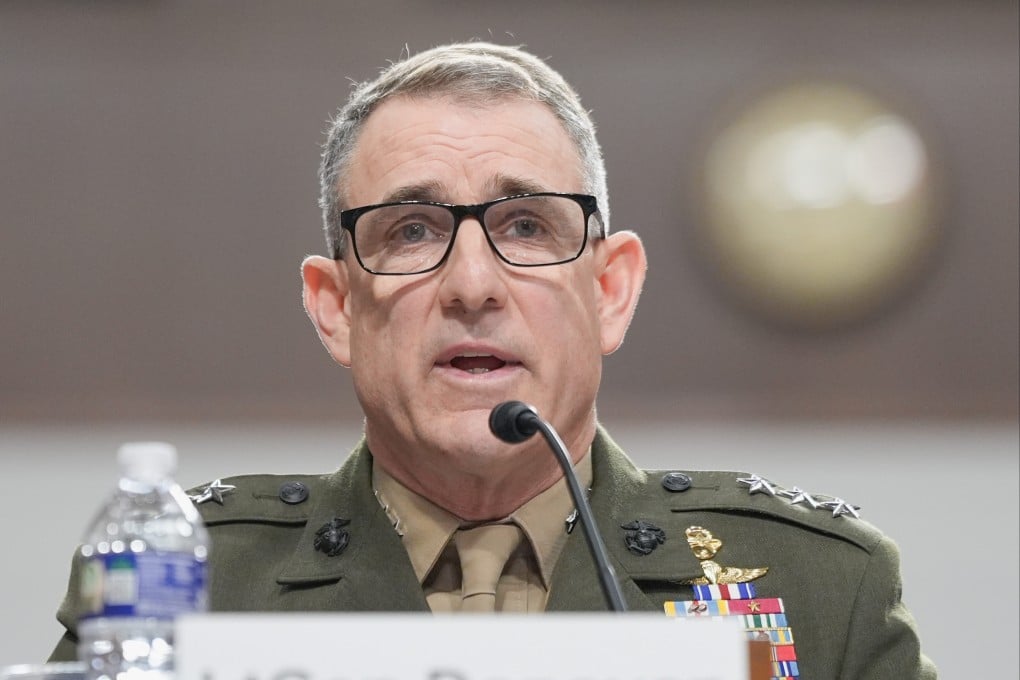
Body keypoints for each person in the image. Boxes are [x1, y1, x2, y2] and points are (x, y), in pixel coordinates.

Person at [49, 42, 937, 678]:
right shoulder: (181, 589)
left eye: (526, 226)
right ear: (335, 309)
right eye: (410, 231)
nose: (473, 284)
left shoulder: (819, 590)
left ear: (611, 292)